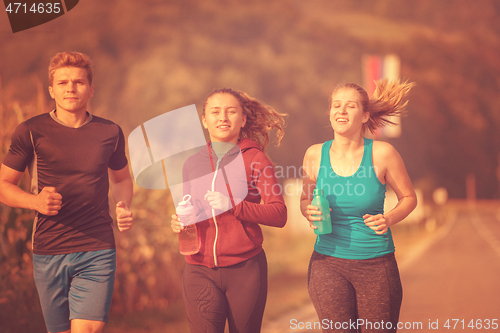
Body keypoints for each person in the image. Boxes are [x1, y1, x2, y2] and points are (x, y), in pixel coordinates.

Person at [0, 52, 134, 333]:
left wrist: (122, 205)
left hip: (97, 245)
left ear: (91, 89)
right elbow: (3, 185)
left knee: (87, 329)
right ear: (52, 90)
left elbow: (122, 179)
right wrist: (34, 201)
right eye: (62, 83)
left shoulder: (110, 132)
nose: (70, 88)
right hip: (49, 249)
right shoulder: (31, 131)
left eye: (78, 82)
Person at [300, 80, 417, 333]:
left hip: (376, 265)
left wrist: (388, 219)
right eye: (336, 105)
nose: (341, 111)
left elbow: (409, 198)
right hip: (326, 263)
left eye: (350, 106)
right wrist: (309, 211)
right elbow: (304, 200)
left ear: (364, 115)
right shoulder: (314, 155)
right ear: (330, 113)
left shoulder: (383, 154)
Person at [170, 88, 287, 333]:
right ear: (204, 120)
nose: (223, 117)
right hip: (198, 268)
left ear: (243, 119)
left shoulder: (255, 159)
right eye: (215, 112)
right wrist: (180, 222)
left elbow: (278, 214)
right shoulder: (191, 164)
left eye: (231, 111)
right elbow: (187, 210)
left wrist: (234, 206)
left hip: (245, 269)